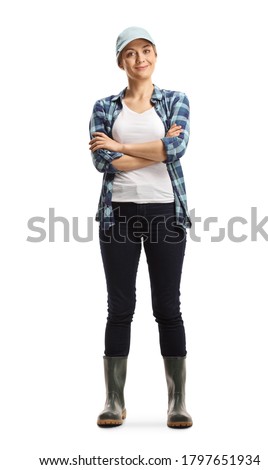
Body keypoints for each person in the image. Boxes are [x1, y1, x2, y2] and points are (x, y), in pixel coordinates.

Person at [89, 26, 192, 428]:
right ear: (121, 62)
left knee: (167, 307)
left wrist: (121, 146)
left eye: (146, 50)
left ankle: (177, 401)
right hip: (118, 215)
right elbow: (103, 163)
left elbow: (177, 149)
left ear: (155, 55)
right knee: (120, 309)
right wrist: (156, 150)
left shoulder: (175, 101)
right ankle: (114, 400)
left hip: (166, 212)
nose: (140, 59)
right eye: (130, 54)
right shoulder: (104, 106)